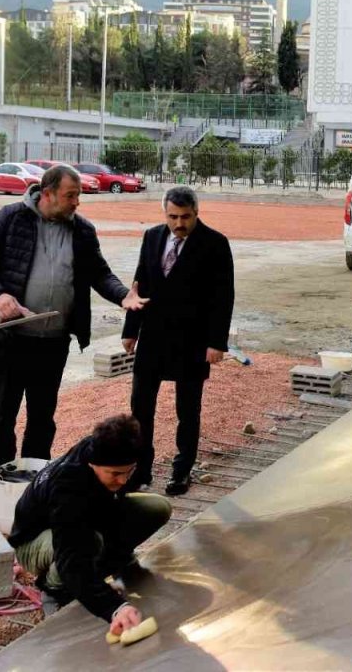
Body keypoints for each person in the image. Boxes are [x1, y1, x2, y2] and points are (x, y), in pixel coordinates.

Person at [0, 165, 146, 503]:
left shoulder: (82, 231)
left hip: (52, 344)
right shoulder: (10, 218)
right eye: (71, 195)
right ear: (46, 194)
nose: (77, 202)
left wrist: (123, 295)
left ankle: (34, 494)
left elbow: (99, 273)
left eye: (78, 195)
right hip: (10, 340)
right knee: (2, 420)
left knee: (41, 420)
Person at [9, 415, 171, 637]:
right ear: (92, 465)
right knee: (87, 544)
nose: (123, 480)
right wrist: (114, 608)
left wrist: (116, 554)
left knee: (157, 508)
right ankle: (54, 590)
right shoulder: (67, 487)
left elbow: (114, 506)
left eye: (128, 471)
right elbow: (71, 556)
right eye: (115, 474)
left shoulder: (109, 452)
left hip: (80, 522)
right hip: (33, 541)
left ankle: (113, 562)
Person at [121, 186, 234, 497]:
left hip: (192, 341)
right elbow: (139, 284)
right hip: (153, 337)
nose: (179, 223)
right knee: (141, 407)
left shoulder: (215, 244)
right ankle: (141, 470)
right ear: (164, 213)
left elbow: (223, 298)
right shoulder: (152, 237)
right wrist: (130, 330)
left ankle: (182, 471)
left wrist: (217, 343)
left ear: (196, 212)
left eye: (186, 217)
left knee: (188, 409)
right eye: (173, 217)